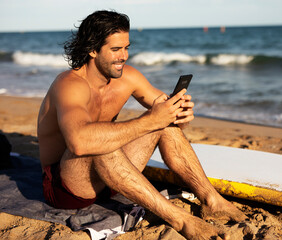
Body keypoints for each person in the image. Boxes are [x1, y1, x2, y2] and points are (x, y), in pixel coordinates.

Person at [37, 10, 246, 240]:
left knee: (162, 118)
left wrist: (179, 115)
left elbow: (166, 121)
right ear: (93, 50)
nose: (124, 56)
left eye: (126, 47)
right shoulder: (69, 85)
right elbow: (79, 142)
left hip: (113, 179)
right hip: (67, 188)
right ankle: (180, 219)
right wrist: (149, 120)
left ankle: (212, 200)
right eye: (115, 49)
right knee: (103, 141)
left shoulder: (128, 77)